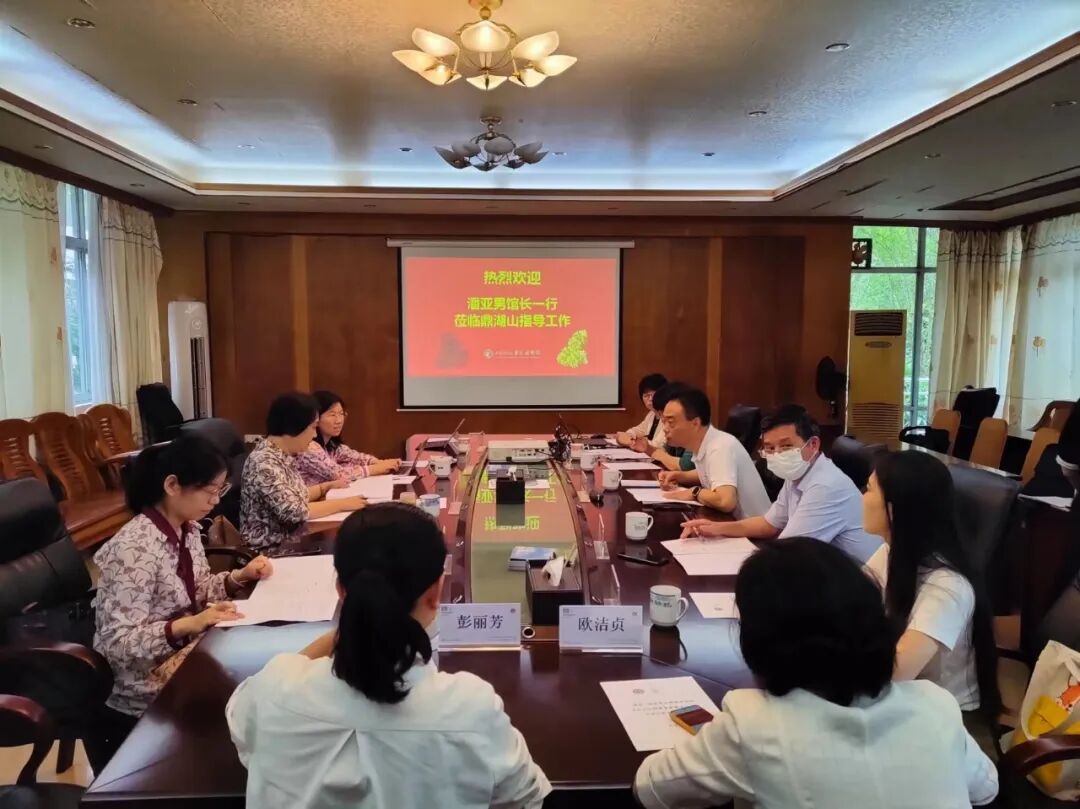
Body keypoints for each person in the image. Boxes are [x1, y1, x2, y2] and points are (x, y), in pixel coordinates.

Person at [227, 502, 551, 809]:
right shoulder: (470, 708)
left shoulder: (273, 690)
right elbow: (526, 796)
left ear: (340, 590)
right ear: (436, 592)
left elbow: (241, 716)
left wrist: (346, 631)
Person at [633, 537, 998, 809]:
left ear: (759, 639)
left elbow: (650, 788)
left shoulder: (753, 724)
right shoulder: (935, 705)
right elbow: (986, 789)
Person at [88, 435, 274, 771]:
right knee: (250, 697)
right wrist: (188, 624)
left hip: (188, 655)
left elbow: (196, 592)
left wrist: (238, 577)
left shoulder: (186, 529)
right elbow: (117, 644)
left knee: (262, 672)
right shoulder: (133, 549)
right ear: (172, 485)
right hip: (144, 683)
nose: (215, 501)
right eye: (209, 490)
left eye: (220, 490)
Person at [862, 450, 1001, 722]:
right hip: (907, 700)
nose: (861, 497)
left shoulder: (948, 587)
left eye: (867, 489)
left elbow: (893, 674)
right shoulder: (892, 552)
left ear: (894, 508)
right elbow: (850, 603)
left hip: (950, 718)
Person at [681, 404, 881, 563]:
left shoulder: (825, 486)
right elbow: (769, 524)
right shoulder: (799, 474)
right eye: (769, 448)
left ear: (813, 444)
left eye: (786, 446)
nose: (777, 455)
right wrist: (716, 528)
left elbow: (788, 554)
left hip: (860, 589)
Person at [241, 392, 367, 552]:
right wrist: (344, 504)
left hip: (294, 539)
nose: (315, 434)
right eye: (313, 427)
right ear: (294, 427)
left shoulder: (281, 454)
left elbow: (296, 495)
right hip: (271, 551)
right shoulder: (264, 462)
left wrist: (324, 488)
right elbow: (297, 512)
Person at [656, 388, 770, 518]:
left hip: (752, 528)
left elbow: (725, 502)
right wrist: (680, 476)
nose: (665, 429)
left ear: (695, 423)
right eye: (664, 422)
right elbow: (711, 472)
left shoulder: (719, 447)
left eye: (671, 422)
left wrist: (695, 492)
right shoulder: (709, 442)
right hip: (734, 523)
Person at [294, 390, 401, 485]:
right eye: (332, 415)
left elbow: (357, 457)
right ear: (316, 418)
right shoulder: (308, 447)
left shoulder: (332, 444)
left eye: (341, 414)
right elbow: (339, 474)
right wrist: (377, 468)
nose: (339, 420)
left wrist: (383, 463)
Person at [630, 381, 695, 472]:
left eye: (669, 420)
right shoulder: (678, 430)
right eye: (664, 421)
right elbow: (665, 452)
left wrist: (654, 452)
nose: (665, 428)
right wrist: (648, 448)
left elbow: (684, 466)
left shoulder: (697, 431)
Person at [616, 373, 668, 449]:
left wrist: (630, 442)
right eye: (646, 395)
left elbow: (658, 445)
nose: (650, 399)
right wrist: (627, 436)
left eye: (654, 395)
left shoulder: (669, 416)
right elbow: (638, 430)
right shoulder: (652, 414)